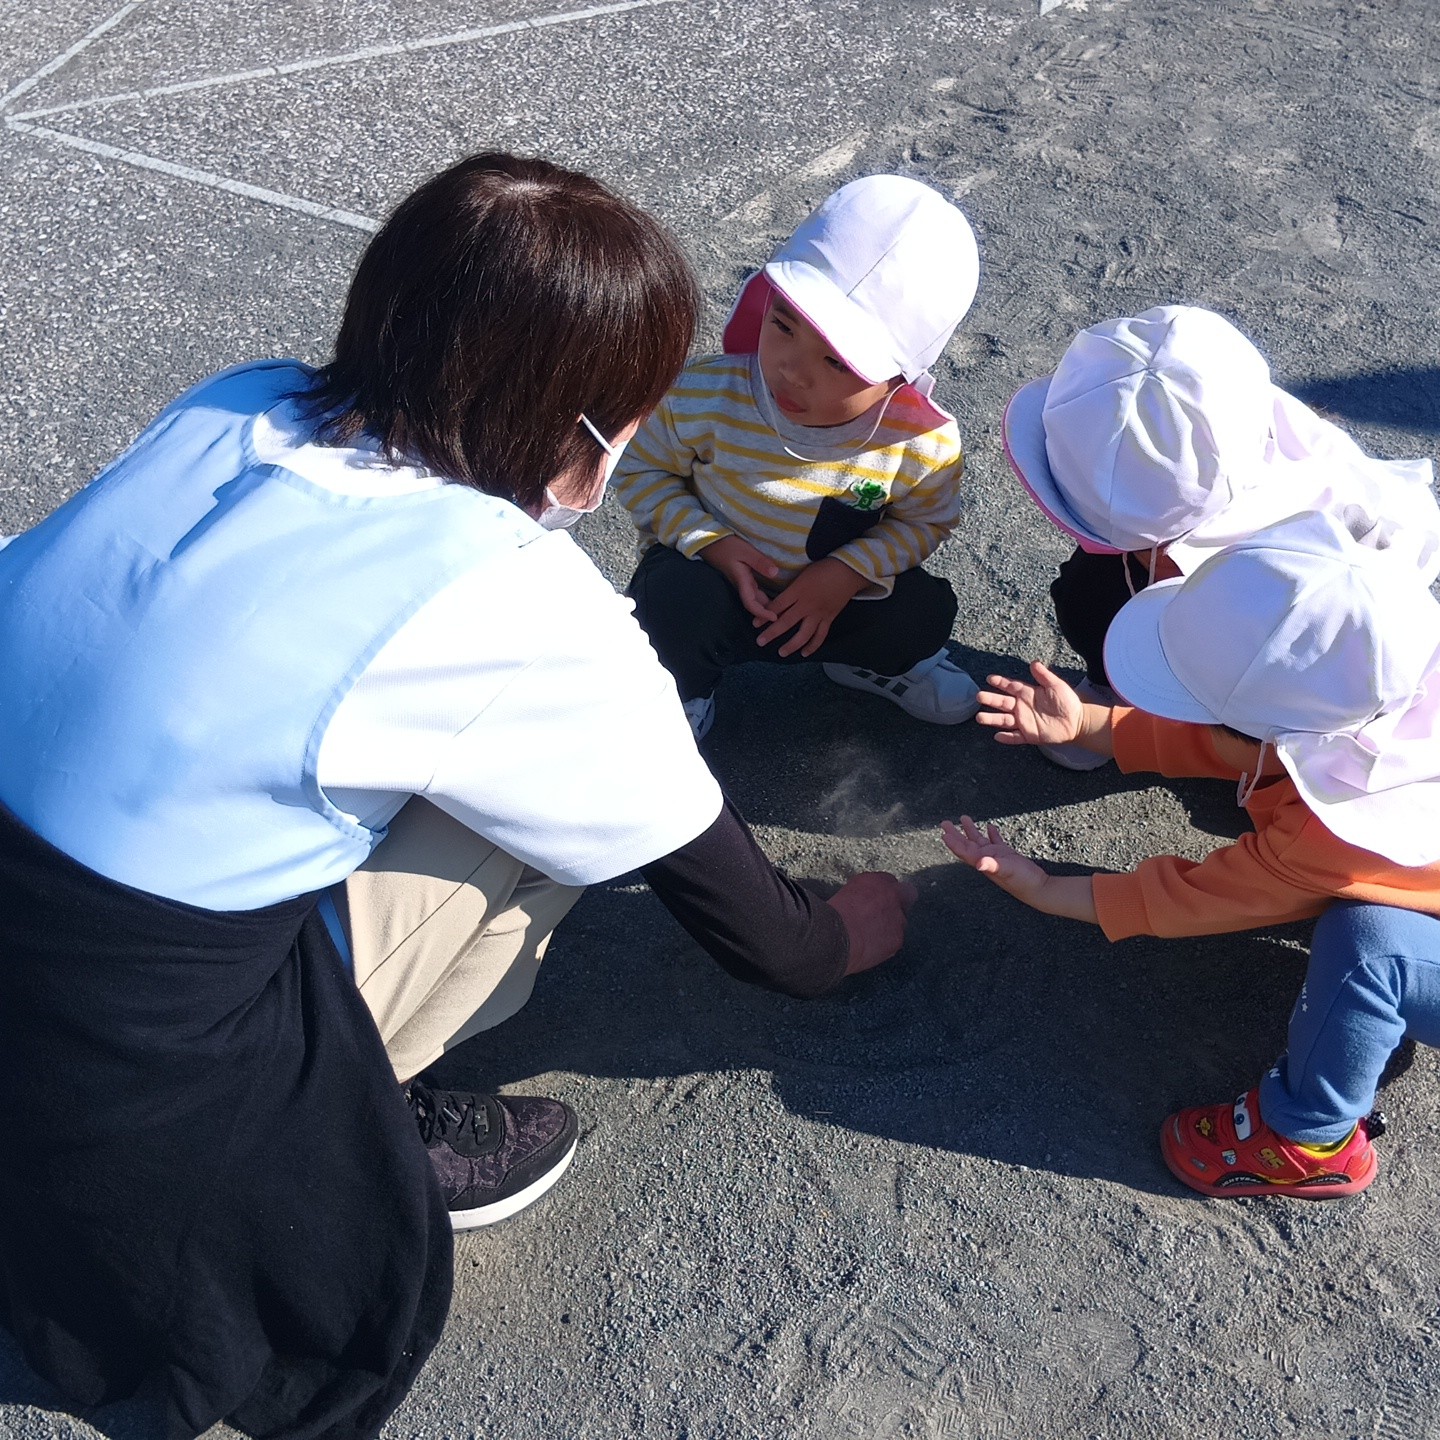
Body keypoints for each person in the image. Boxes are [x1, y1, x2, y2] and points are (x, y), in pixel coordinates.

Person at [0, 153, 915, 1440]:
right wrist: (845, 931)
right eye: (627, 418)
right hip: (113, 1106)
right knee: (547, 813)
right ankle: (357, 1127)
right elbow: (745, 913)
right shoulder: (507, 598)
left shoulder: (234, 403)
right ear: (579, 430)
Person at [942, 510, 1440, 1199]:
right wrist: (1091, 725)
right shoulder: (1387, 659)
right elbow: (1245, 741)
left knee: (1370, 950)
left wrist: (1043, 888)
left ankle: (1308, 1139)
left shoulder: (1325, 837)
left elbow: (1192, 898)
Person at [613, 174, 982, 738]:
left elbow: (925, 523)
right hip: (716, 582)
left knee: (922, 615)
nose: (791, 369)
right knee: (672, 605)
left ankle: (861, 663)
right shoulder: (705, 393)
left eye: (837, 362)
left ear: (900, 376)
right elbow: (643, 469)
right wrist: (709, 543)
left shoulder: (920, 445)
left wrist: (846, 573)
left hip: (838, 600)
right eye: (782, 325)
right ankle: (683, 685)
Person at [1001, 303, 1439, 768]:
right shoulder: (1234, 415)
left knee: (1099, 604)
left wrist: (1109, 734)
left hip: (1314, 664)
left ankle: (1155, 710)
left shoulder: (1267, 606)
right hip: (1334, 625)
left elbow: (1275, 709)